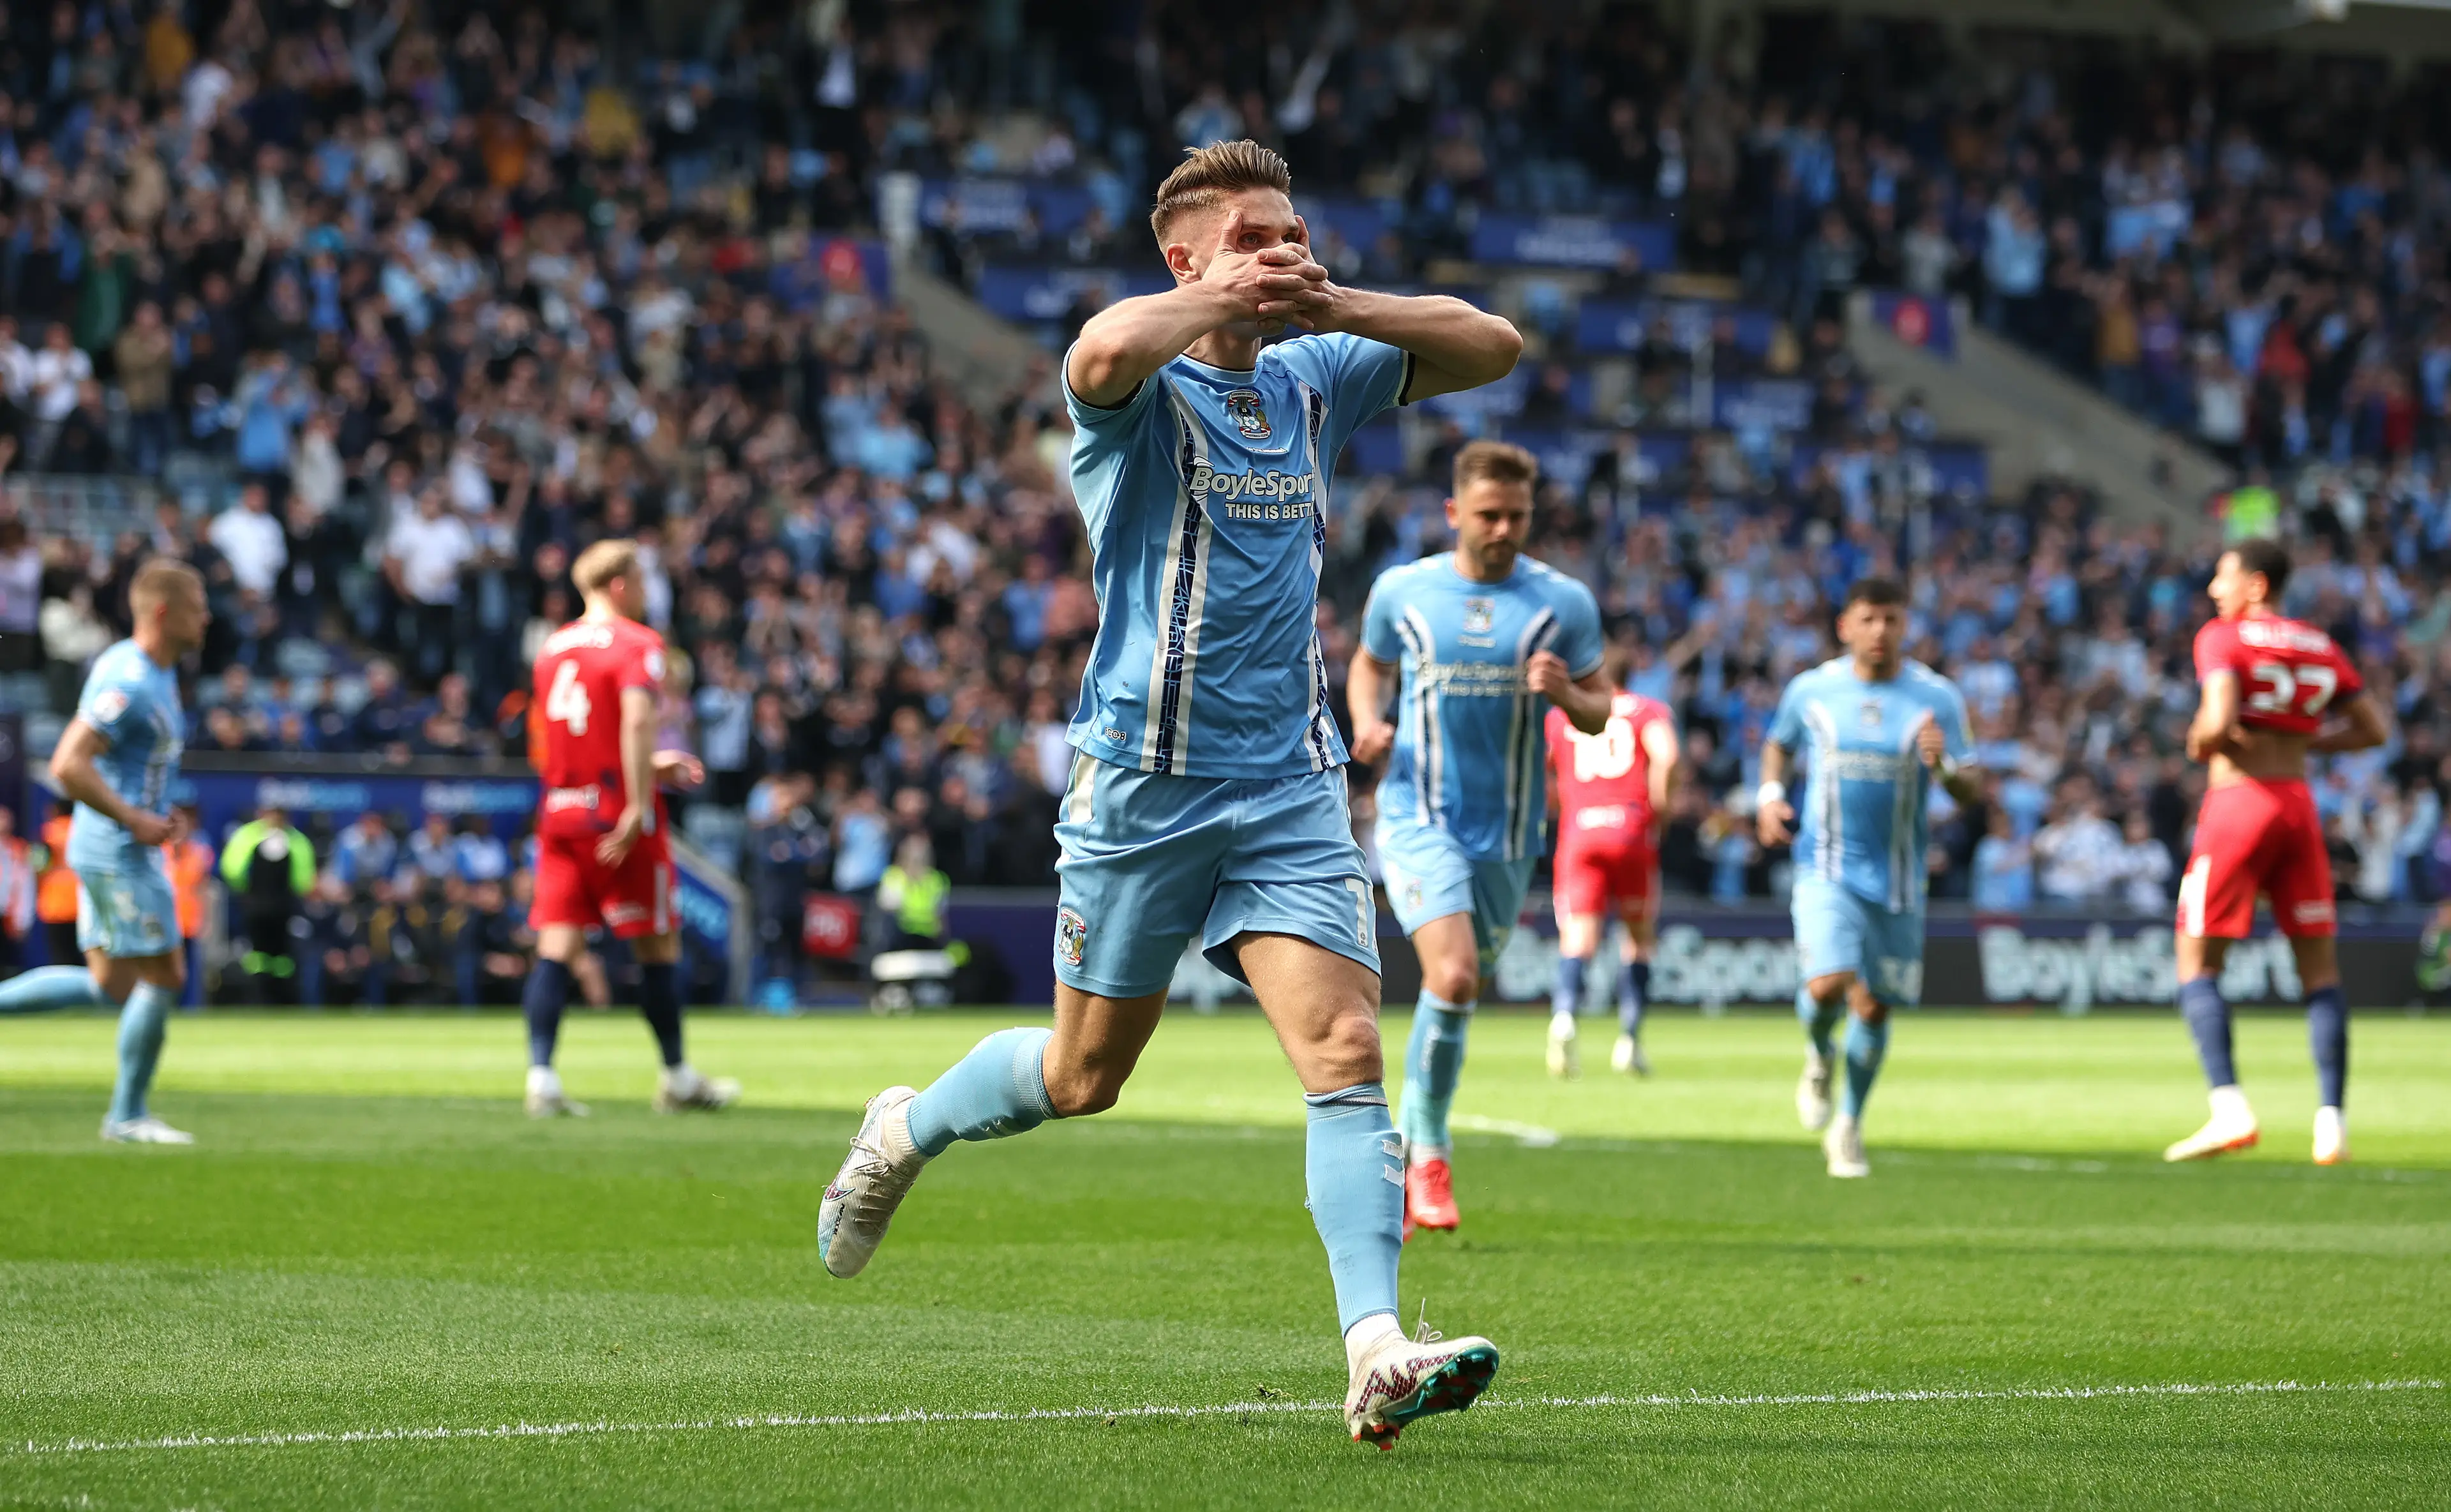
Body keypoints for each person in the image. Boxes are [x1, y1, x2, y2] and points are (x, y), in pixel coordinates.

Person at [815, 139, 1525, 1448]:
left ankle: (1374, 1345)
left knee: (1347, 1047)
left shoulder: (1318, 368)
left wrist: (1333, 303)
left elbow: (1493, 345)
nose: (1286, 252)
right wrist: (1229, 299)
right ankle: (905, 1125)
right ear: (1185, 257)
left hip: (1289, 783)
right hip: (1144, 780)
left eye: (1295, 230)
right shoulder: (1141, 387)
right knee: (1083, 1077)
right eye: (1255, 236)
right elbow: (1094, 354)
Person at [1345, 440, 1610, 1235]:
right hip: (1419, 816)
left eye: (1518, 517)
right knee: (1454, 975)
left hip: (1513, 831)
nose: (1503, 529)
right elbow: (1368, 665)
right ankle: (1427, 1150)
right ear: (1455, 513)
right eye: (1489, 515)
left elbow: (1601, 712)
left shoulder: (1563, 602)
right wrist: (1367, 720)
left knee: (1466, 980)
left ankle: (1420, 1129)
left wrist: (1567, 692)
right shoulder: (1406, 591)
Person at [2166, 539, 2388, 1166]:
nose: (2214, 588)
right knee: (2320, 971)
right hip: (2298, 805)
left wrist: (2198, 739)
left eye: (2224, 576)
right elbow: (2374, 727)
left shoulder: (2222, 635)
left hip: (2240, 803)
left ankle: (2229, 1106)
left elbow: (2218, 720)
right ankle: (2332, 1124)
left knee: (2196, 955)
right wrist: (2304, 744)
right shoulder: (2320, 644)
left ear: (2256, 584)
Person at [1757, 577, 1980, 1179]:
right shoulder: (1813, 690)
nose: (1881, 630)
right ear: (1845, 626)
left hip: (1900, 878)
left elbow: (1972, 786)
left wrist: (1947, 769)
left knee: (1876, 1007)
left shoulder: (1937, 698)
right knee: (1828, 983)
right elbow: (1777, 745)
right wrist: (1771, 795)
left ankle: (1849, 1124)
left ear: (1905, 626)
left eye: (1891, 619)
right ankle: (1817, 1051)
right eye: (1869, 619)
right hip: (1826, 866)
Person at [520, 537, 735, 1117]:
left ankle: (541, 1078)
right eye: (640, 580)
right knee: (657, 945)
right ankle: (677, 1076)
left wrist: (633, 769)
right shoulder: (639, 643)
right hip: (618, 817)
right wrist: (639, 798)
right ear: (618, 584)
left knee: (556, 945)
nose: (644, 592)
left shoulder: (551, 649)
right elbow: (637, 719)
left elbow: (562, 738)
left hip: (562, 811)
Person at [0, 559, 210, 1142]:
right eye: (198, 607)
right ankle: (127, 1114)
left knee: (110, 985)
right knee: (166, 972)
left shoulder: (158, 671)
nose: (209, 617)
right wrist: (136, 818)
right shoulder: (132, 680)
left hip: (119, 843)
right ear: (164, 613)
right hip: (119, 848)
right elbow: (68, 762)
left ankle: (127, 1113)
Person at [1543, 661, 1681, 1079]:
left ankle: (1565, 1016)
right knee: (1638, 939)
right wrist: (1660, 809)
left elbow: (1538, 767)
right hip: (1632, 829)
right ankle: (1629, 1040)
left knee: (1578, 939)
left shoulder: (1561, 714)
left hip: (1582, 831)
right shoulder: (1646, 710)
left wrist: (1563, 803)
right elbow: (1669, 757)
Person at [218, 804, 315, 1004]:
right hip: (256, 906)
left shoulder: (295, 840)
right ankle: (257, 997)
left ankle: (282, 999)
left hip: (282, 908)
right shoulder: (248, 835)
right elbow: (232, 870)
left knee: (282, 955)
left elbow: (304, 880)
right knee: (258, 953)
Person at [163, 807, 214, 1008]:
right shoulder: (158, 854)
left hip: (188, 922)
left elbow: (204, 889)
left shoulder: (199, 853)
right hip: (161, 923)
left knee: (189, 971)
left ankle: (189, 1008)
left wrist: (207, 921)